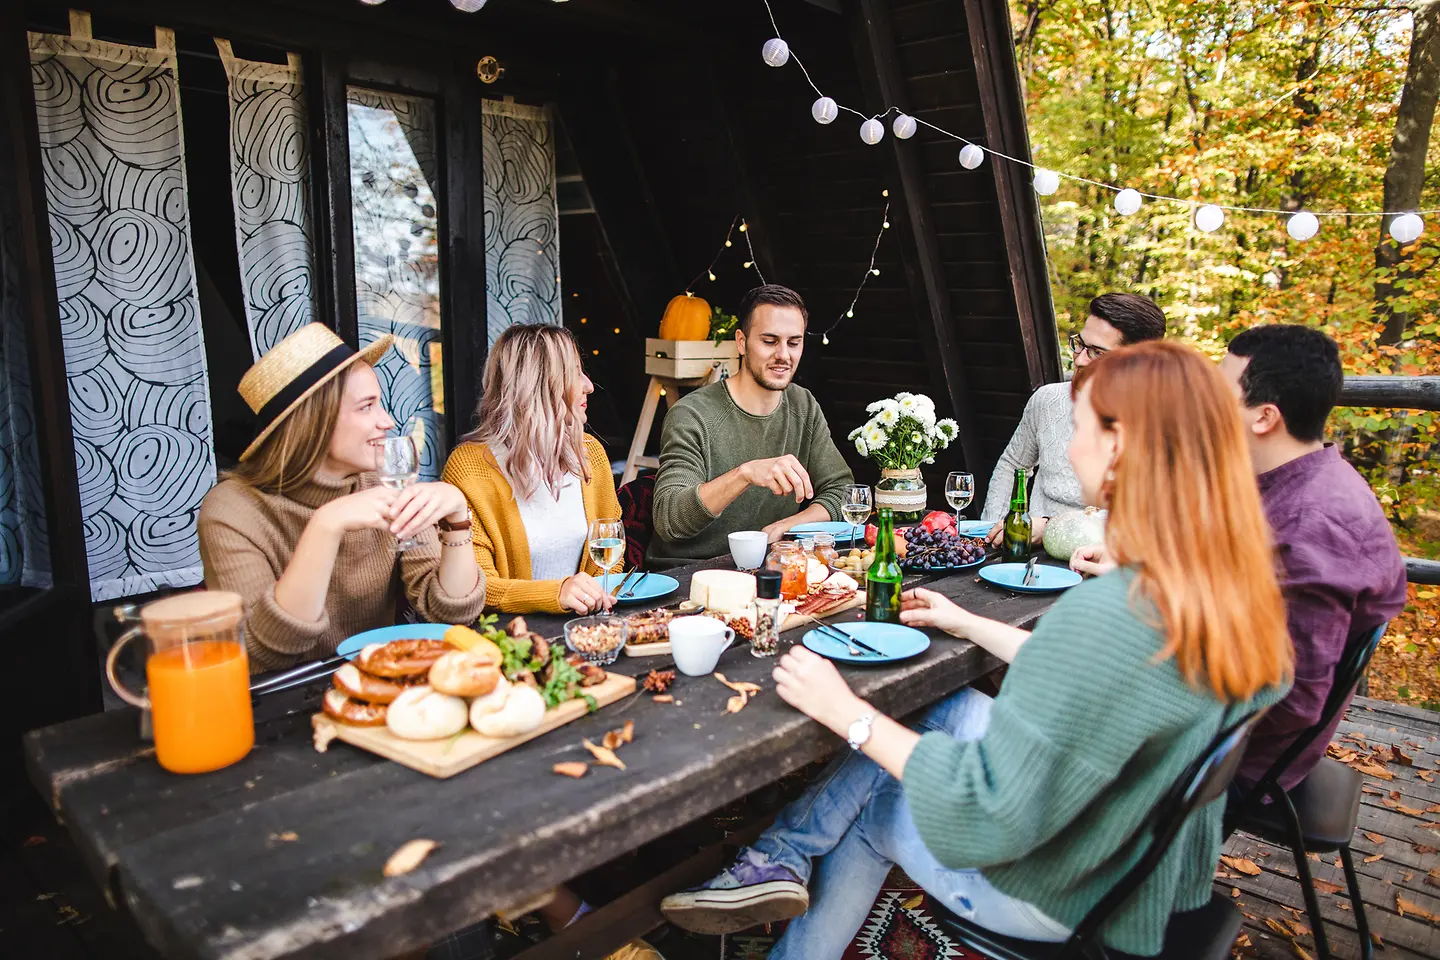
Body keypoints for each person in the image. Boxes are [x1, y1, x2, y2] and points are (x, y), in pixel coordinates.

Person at [660, 341, 1292, 959]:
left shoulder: (1110, 611)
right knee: (946, 704)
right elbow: (1094, 677)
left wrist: (845, 712)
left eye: (1081, 428)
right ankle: (780, 858)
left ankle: (779, 872)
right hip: (1134, 851)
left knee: (876, 804)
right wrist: (968, 623)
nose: (1069, 449)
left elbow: (984, 809)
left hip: (1063, 888)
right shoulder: (1219, 587)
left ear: (1122, 447)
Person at [198, 324, 486, 672]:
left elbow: (451, 612)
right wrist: (326, 524)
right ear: (313, 422)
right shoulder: (231, 511)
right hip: (286, 704)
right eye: (367, 407)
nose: (388, 421)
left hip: (383, 676)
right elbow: (262, 654)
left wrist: (457, 517)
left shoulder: (383, 479)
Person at [647, 284, 855, 565]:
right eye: (769, 341)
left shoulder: (803, 404)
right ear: (741, 342)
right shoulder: (691, 414)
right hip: (689, 574)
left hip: (768, 570)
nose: (784, 355)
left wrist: (788, 525)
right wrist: (745, 475)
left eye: (794, 342)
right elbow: (670, 520)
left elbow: (843, 492)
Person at [442, 324, 623, 616]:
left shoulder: (589, 453)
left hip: (586, 630)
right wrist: (555, 593)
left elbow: (610, 554)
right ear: (539, 385)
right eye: (574, 373)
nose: (588, 384)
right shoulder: (469, 469)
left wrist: (595, 600)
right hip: (509, 640)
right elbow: (474, 587)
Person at [981, 292, 1166, 546]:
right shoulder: (1047, 401)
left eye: (1096, 353)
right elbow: (1013, 464)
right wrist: (992, 530)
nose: (1079, 360)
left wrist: (1048, 526)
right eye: (1079, 344)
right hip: (1026, 560)